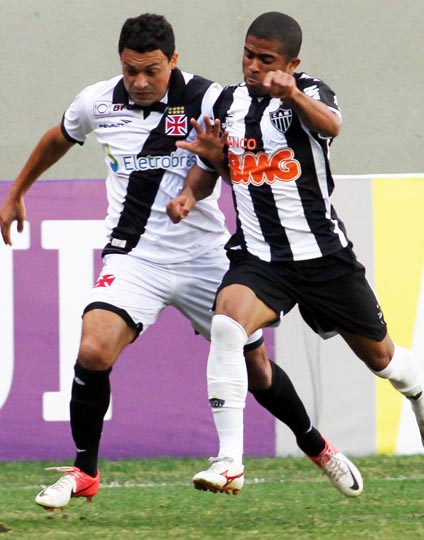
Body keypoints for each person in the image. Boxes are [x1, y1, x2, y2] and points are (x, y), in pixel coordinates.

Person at [0, 14, 362, 510]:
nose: (141, 82)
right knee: (93, 349)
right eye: (131, 71)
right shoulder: (97, 101)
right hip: (135, 256)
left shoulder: (211, 99)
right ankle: (84, 472)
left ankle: (317, 447)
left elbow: (250, 146)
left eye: (152, 70)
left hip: (204, 256)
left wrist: (213, 169)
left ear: (174, 60)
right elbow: (57, 137)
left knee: (254, 367)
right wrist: (18, 192)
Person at [167, 11, 424, 495]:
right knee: (226, 326)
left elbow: (333, 125)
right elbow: (219, 166)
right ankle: (228, 462)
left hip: (324, 257)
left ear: (291, 62)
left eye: (267, 60)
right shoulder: (227, 103)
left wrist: (294, 94)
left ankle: (418, 389)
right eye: (248, 55)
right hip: (261, 258)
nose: (253, 67)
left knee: (383, 360)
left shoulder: (310, 93)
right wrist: (190, 190)